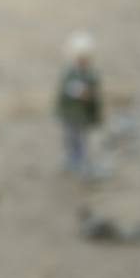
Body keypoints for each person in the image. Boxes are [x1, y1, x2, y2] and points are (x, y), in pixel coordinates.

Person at [55, 31, 103, 176]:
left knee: (82, 139)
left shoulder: (90, 76)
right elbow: (63, 94)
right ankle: (73, 158)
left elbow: (94, 96)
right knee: (70, 138)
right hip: (70, 114)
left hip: (82, 116)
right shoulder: (70, 73)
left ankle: (82, 161)